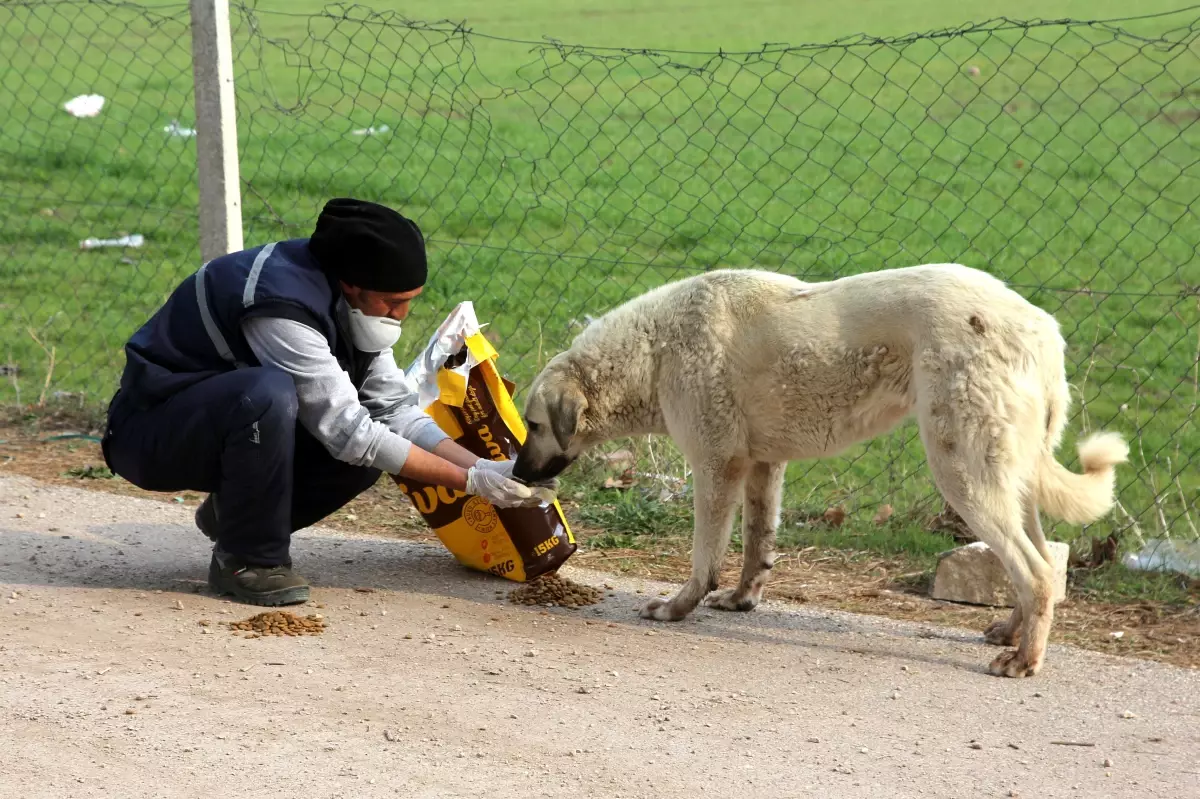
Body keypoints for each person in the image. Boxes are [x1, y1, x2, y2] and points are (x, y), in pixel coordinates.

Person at [101, 198, 552, 606]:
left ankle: (236, 516)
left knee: (377, 448)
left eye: (410, 302)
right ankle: (249, 560)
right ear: (350, 285)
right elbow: (348, 431)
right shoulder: (281, 303)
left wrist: (486, 467)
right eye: (392, 303)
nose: (402, 315)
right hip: (150, 434)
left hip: (225, 426)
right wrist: (471, 483)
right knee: (270, 396)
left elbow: (392, 409)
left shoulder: (348, 299)